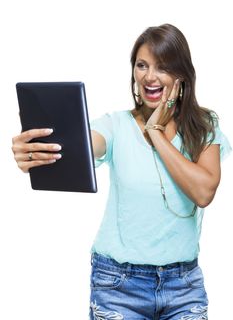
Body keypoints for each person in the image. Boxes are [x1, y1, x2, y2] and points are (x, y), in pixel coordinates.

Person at [12, 23, 231, 320]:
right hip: (118, 285)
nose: (149, 77)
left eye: (162, 67)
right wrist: (38, 149)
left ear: (181, 76)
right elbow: (82, 144)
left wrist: (155, 131)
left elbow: (204, 191)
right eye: (142, 65)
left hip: (184, 286)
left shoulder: (205, 126)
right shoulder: (116, 125)